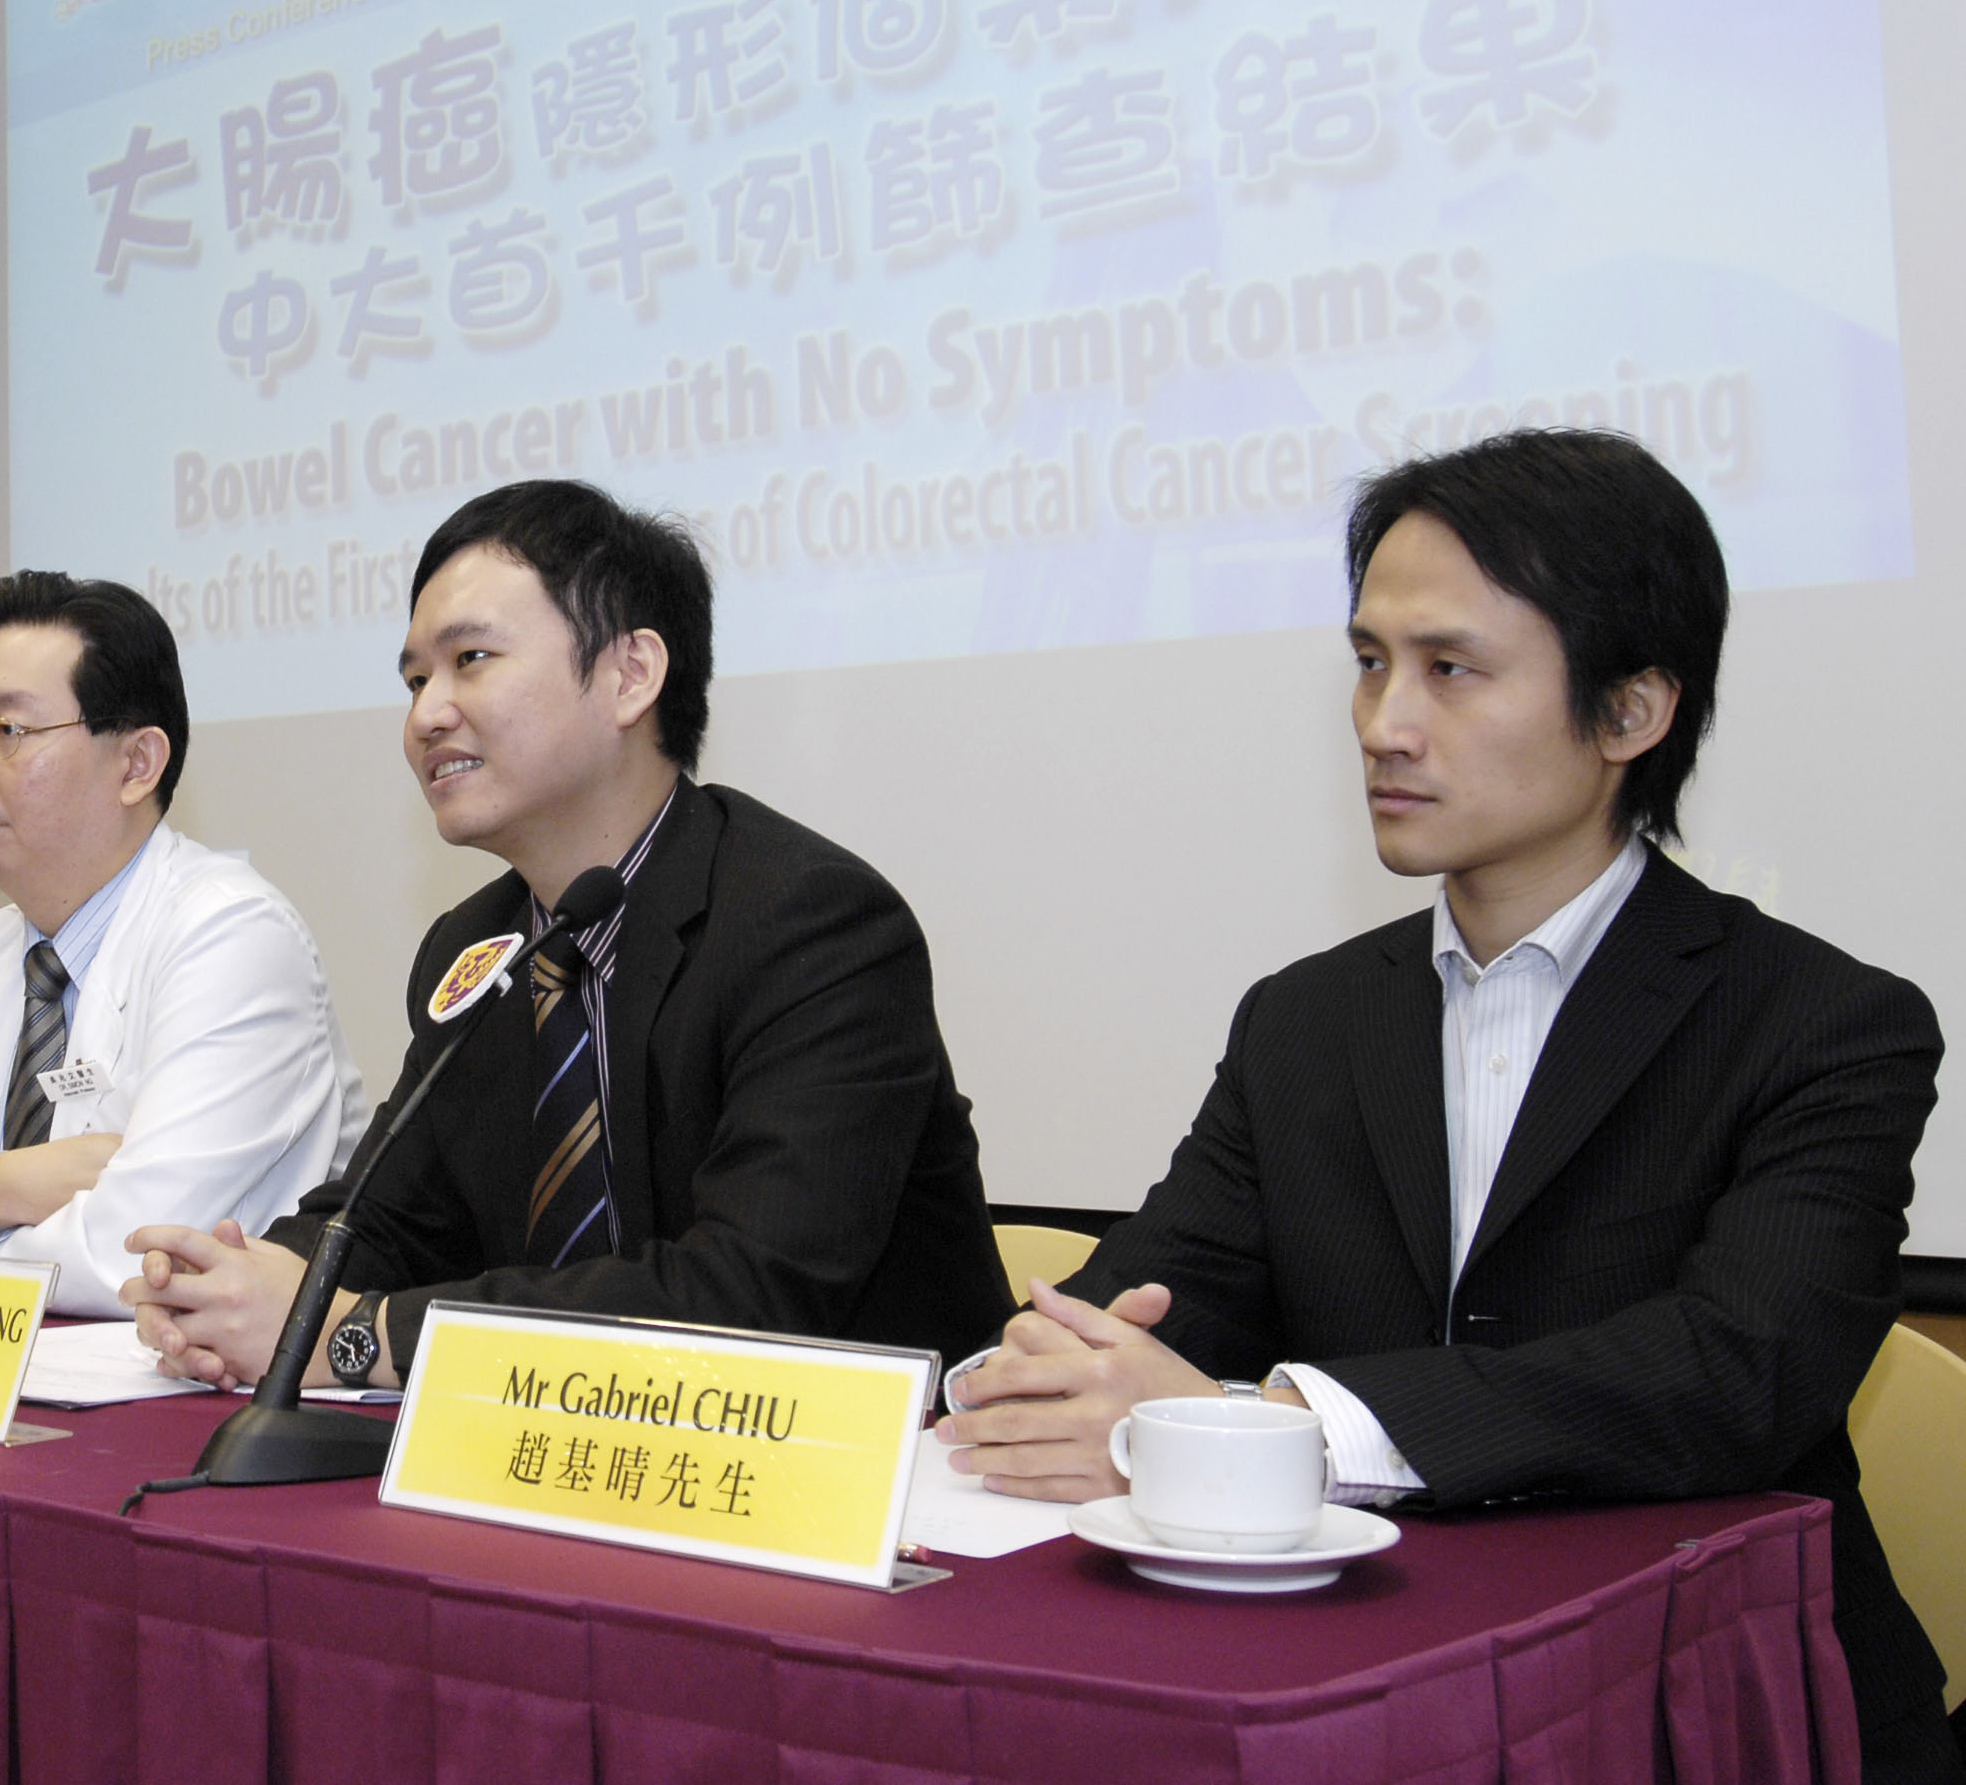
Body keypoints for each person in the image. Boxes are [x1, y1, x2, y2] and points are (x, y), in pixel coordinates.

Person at [936, 430, 1956, 1784]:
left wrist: (1290, 1428)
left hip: (1706, 1700)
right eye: (1368, 663)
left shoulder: (1821, 1021)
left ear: (1632, 711)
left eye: (1450, 671)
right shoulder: (1306, 1018)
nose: (1382, 724)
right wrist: (1055, 1372)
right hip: (1365, 1685)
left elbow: (1737, 1369)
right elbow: (1159, 1296)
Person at [121, 479, 1010, 1390]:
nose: (426, 713)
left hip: (864, 1486)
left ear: (630, 676)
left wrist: (356, 1336)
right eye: (416, 678)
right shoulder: (478, 947)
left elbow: (749, 1296)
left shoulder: (811, 924)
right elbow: (389, 1222)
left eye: (471, 659)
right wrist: (242, 1288)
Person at [0, 573, 361, 1316]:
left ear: (136, 765)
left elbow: (132, 1256)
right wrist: (3, 1186)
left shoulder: (231, 935)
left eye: (8, 732)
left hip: (188, 1407)